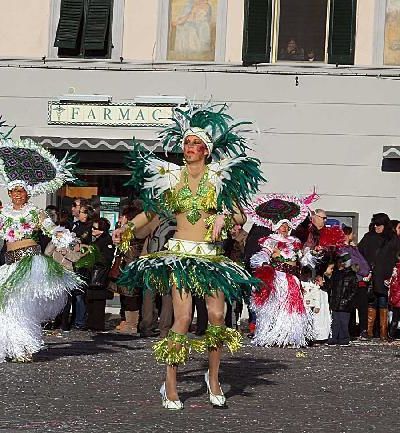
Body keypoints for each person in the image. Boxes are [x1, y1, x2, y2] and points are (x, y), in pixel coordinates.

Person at [114, 103, 263, 409]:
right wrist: (126, 227)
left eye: (196, 144)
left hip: (210, 258)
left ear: (207, 150)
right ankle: (169, 384)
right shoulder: (172, 177)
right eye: (186, 143)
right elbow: (150, 213)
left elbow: (240, 217)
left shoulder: (220, 177)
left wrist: (224, 214)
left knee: (218, 318)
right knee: (182, 320)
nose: (190, 148)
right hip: (181, 257)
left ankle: (214, 377)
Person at [0, 138, 82, 362]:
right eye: (13, 191)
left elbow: (50, 228)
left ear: (27, 193)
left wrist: (60, 234)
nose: (17, 195)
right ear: (9, 194)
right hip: (9, 264)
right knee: (7, 307)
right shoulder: (3, 214)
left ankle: (24, 347)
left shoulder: (35, 213)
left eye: (21, 191)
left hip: (30, 264)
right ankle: (11, 345)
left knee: (22, 306)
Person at [246, 193, 318, 348]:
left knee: (292, 307)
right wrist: (263, 262)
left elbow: (303, 260)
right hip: (278, 278)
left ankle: (291, 336)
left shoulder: (295, 242)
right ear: (276, 227)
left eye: (286, 226)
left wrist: (310, 255)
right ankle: (273, 335)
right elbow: (263, 254)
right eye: (281, 226)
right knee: (276, 306)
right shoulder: (270, 240)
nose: (284, 228)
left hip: (292, 278)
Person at [358, 213, 400, 341]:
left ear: (385, 225)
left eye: (379, 225)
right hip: (371, 275)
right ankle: (369, 331)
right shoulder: (368, 237)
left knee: (383, 303)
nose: (376, 227)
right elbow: (360, 253)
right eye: (375, 224)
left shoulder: (392, 238)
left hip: (385, 276)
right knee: (371, 302)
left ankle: (383, 332)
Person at [340, 226, 370, 339]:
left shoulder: (353, 248)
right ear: (347, 235)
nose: (354, 236)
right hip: (352, 281)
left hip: (360, 281)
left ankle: (362, 329)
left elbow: (363, 261)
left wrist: (367, 272)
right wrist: (365, 272)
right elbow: (352, 264)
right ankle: (351, 330)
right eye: (352, 233)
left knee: (362, 306)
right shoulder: (343, 249)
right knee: (351, 306)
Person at [85, 217, 115, 331]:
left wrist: (94, 259)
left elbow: (107, 258)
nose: (92, 230)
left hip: (100, 275)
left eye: (95, 228)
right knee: (91, 300)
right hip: (93, 274)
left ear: (101, 230)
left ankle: (96, 324)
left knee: (98, 301)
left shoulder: (106, 241)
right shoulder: (95, 240)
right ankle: (91, 323)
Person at [327, 252, 358, 346]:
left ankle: (344, 338)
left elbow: (354, 291)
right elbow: (330, 286)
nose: (341, 264)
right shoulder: (336, 273)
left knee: (344, 321)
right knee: (335, 321)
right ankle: (334, 337)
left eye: (343, 262)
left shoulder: (352, 275)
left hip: (345, 303)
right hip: (336, 301)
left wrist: (347, 300)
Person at [388, 254, 400, 340]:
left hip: (396, 298)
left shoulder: (395, 269)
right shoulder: (397, 270)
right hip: (397, 298)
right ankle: (391, 334)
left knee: (395, 318)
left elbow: (394, 285)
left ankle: (391, 335)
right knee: (395, 318)